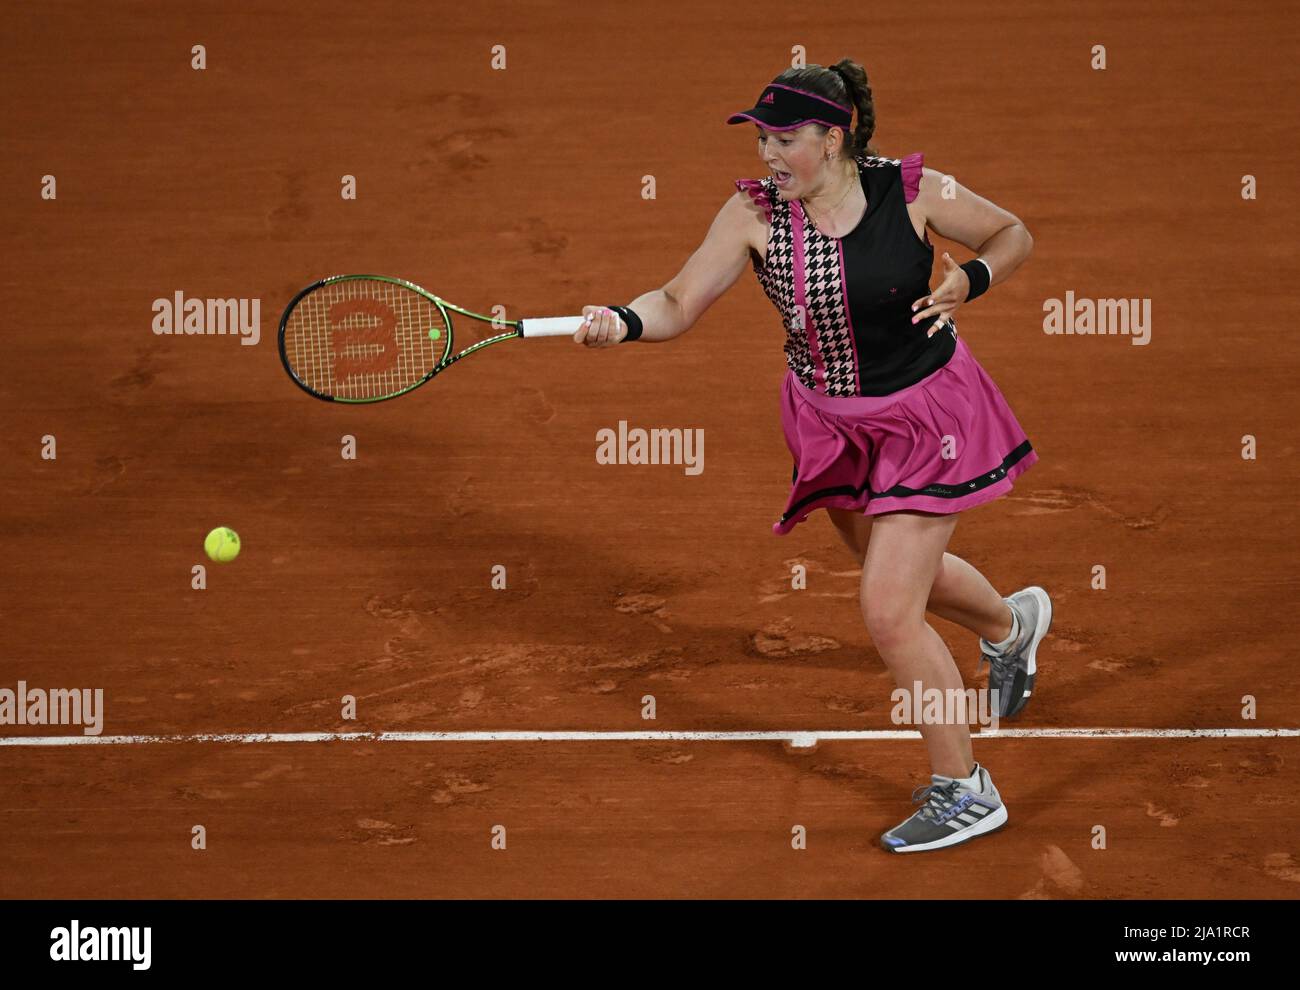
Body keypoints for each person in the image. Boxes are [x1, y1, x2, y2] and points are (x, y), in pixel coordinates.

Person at [573, 60, 1052, 854]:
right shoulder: (751, 213)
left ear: (834, 138)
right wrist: (620, 322)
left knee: (888, 606)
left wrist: (972, 278)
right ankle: (1011, 625)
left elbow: (1013, 234)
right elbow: (675, 302)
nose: (768, 155)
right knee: (896, 566)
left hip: (928, 418)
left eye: (785, 138)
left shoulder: (913, 191)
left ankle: (964, 790)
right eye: (762, 138)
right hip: (829, 424)